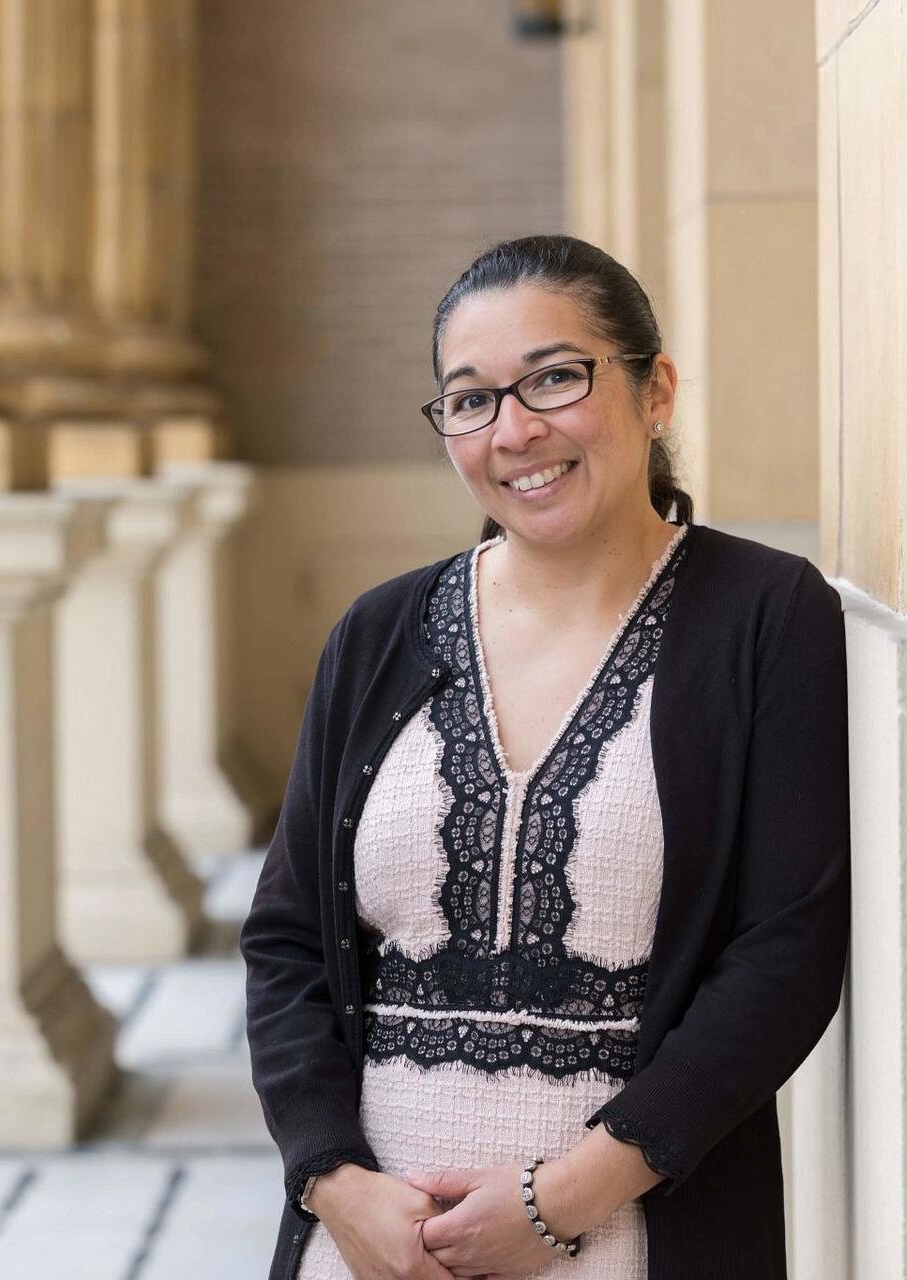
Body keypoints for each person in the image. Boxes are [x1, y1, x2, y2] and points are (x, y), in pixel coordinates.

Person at [240, 234, 851, 1280]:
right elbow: (289, 938)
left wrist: (557, 1203)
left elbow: (786, 952)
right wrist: (333, 1182)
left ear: (654, 389)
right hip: (376, 1250)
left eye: (556, 378)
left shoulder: (768, 616)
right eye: (470, 398)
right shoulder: (379, 630)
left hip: (633, 1230)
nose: (514, 430)